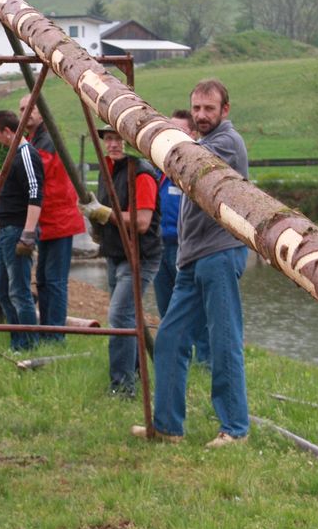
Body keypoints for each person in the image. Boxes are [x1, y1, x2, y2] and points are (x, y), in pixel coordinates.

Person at [134, 79, 250, 449]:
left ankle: (235, 429)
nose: (201, 115)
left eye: (209, 109)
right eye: (196, 108)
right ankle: (168, 427)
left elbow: (184, 162)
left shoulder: (225, 144)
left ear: (224, 111)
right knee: (170, 339)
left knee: (223, 339)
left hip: (219, 254)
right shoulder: (199, 143)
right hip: (190, 258)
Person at [82, 127, 161, 398]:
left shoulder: (141, 173)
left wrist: (105, 214)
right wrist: (97, 223)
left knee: (119, 317)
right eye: (110, 139)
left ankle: (122, 388)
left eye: (120, 139)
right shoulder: (108, 169)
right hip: (116, 253)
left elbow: (141, 222)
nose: (114, 144)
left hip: (140, 256)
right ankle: (137, 375)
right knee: (127, 316)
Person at [17, 94, 85, 341]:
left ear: (41, 111)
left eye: (31, 108)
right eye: (22, 109)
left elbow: (35, 173)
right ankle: (49, 330)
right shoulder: (37, 139)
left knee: (53, 280)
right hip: (48, 219)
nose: (27, 112)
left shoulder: (46, 140)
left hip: (58, 219)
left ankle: (55, 334)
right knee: (45, 279)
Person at [154, 109, 209, 365]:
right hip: (159, 245)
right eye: (169, 129)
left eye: (179, 130)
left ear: (193, 135)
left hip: (185, 247)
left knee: (194, 307)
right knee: (167, 307)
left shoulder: (197, 166)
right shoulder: (160, 166)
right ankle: (177, 357)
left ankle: (205, 359)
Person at [0, 110, 44, 352]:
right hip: (7, 229)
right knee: (2, 290)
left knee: (19, 291)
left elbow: (35, 191)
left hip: (18, 229)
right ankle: (17, 340)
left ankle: (29, 344)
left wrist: (28, 233)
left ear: (8, 132)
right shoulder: (14, 155)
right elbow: (13, 185)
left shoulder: (26, 154)